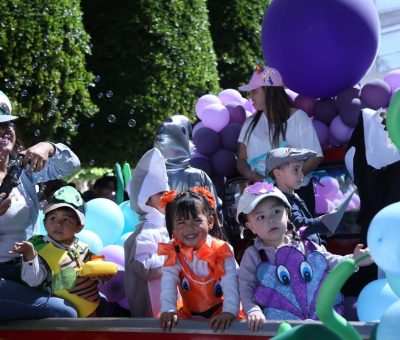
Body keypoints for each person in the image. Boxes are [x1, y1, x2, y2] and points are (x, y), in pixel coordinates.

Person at [236, 182, 373, 331]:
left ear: (287, 214)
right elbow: (245, 286)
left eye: (276, 211)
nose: (271, 219)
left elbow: (329, 260)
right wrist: (252, 309)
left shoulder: (304, 244)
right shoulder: (253, 254)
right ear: (250, 226)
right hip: (279, 326)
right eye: (261, 217)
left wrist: (354, 260)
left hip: (318, 319)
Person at [0, 90, 81, 319]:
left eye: (7, 126)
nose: (3, 133)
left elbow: (72, 164)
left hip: (27, 269)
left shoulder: (22, 170)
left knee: (93, 300)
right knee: (63, 314)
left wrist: (49, 147)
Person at [10, 186, 111, 317]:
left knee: (106, 304)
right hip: (63, 310)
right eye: (53, 218)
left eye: (66, 220)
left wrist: (102, 276)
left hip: (91, 306)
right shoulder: (40, 249)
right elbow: (32, 281)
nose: (58, 224)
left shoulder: (83, 249)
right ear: (45, 223)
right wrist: (30, 256)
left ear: (79, 227)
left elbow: (93, 274)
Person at [236, 64, 323, 214]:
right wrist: (252, 176)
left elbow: (316, 157)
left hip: (297, 194)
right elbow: (241, 160)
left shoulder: (299, 118)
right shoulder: (249, 123)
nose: (251, 97)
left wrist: (288, 180)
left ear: (269, 92)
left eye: (254, 91)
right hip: (262, 197)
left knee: (302, 236)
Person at [157, 187, 240, 332]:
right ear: (173, 227)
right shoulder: (173, 250)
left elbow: (230, 283)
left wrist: (229, 312)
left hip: (222, 315)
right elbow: (168, 281)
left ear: (210, 221)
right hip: (189, 316)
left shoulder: (221, 249)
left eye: (196, 220)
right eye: (181, 223)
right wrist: (169, 308)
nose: (189, 228)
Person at [124, 147, 170, 317]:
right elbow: (146, 269)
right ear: (147, 199)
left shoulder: (164, 227)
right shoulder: (145, 233)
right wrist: (176, 255)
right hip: (154, 310)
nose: (168, 198)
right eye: (162, 194)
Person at [266, 147, 332, 245]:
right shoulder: (279, 201)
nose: (302, 175)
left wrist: (320, 243)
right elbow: (299, 225)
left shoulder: (293, 197)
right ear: (278, 173)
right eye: (296, 170)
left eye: (302, 169)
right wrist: (325, 222)